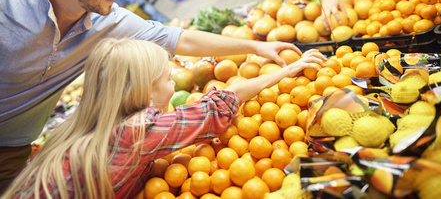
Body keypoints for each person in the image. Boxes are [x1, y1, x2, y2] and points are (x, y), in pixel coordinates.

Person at [0, 0, 303, 193]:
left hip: (15, 150)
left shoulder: (109, 19)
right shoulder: (6, 5)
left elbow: (180, 40)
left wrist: (256, 46)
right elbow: (212, 110)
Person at [1, 38, 326, 198]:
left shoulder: (79, 128)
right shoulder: (137, 133)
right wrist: (287, 71)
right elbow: (217, 107)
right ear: (144, 91)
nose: (174, 83)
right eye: (167, 78)